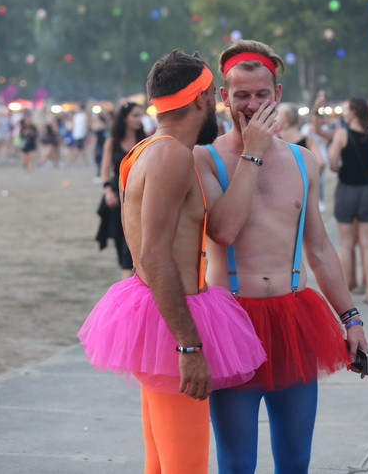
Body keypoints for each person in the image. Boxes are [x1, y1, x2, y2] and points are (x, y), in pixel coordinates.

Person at [79, 50, 266, 474]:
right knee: (185, 465)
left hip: (156, 312)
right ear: (201, 99)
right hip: (172, 320)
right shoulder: (172, 156)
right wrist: (189, 346)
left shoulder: (148, 150)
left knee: (161, 462)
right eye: (214, 98)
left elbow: (181, 239)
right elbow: (153, 254)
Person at [195, 39, 368, 474]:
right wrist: (252, 152)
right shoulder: (204, 158)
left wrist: (351, 319)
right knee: (238, 463)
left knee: (295, 460)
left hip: (293, 318)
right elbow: (222, 230)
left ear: (277, 94)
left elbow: (320, 248)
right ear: (224, 97)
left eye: (262, 94)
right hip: (233, 320)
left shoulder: (303, 161)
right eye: (241, 95)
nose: (252, 105)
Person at [328, 97, 368, 303]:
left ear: (353, 112)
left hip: (346, 190)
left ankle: (346, 294)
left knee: (346, 244)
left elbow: (333, 165)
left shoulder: (342, 134)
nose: (344, 113)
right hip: (367, 192)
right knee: (367, 244)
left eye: (346, 109)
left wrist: (345, 166)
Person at [96, 102, 146, 280]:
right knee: (122, 243)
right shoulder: (113, 141)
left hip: (140, 196)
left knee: (136, 244)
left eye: (140, 115)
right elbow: (104, 171)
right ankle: (128, 283)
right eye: (135, 115)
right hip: (118, 197)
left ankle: (134, 281)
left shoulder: (145, 140)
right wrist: (108, 191)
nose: (139, 119)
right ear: (124, 118)